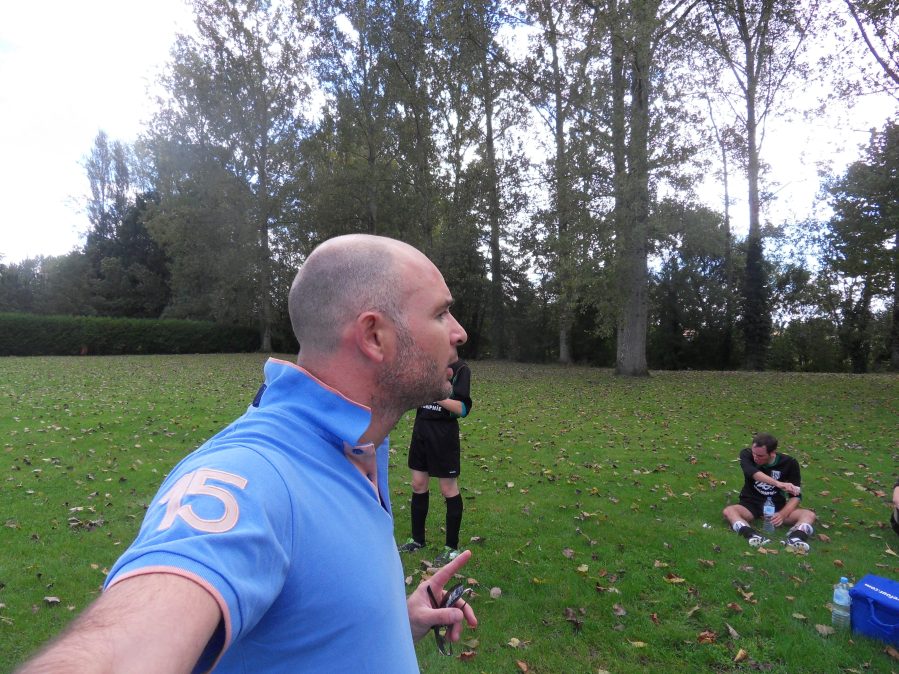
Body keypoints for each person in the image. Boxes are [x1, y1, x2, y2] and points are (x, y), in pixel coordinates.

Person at [17, 234, 477, 673]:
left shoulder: (358, 442)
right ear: (374, 336)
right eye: (441, 314)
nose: (459, 333)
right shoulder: (250, 475)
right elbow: (123, 649)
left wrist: (394, 622)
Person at [398, 359, 472, 567]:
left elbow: (462, 409)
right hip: (421, 429)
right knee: (418, 484)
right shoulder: (427, 362)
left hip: (443, 434)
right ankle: (417, 540)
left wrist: (435, 394)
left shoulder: (460, 369)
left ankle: (451, 548)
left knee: (448, 489)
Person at [722, 433, 816, 553]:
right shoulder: (746, 454)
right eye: (754, 453)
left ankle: (795, 539)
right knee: (729, 511)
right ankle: (752, 536)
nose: (755, 457)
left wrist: (782, 514)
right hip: (750, 504)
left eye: (760, 455)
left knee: (809, 515)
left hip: (776, 507)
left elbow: (796, 496)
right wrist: (778, 483)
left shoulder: (790, 463)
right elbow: (753, 473)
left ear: (772, 453)